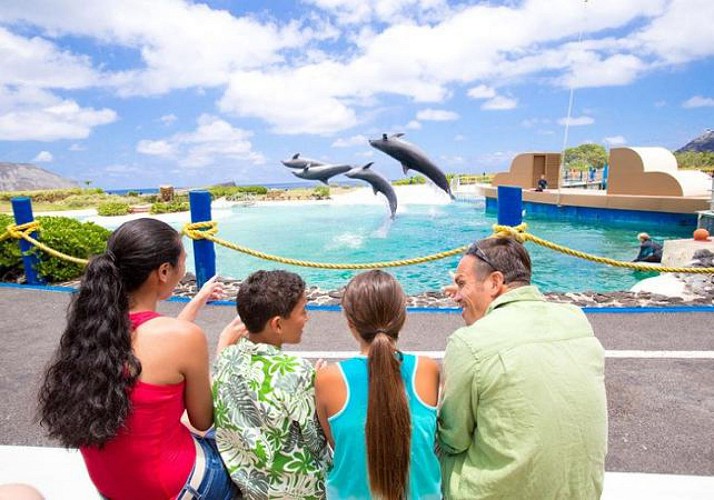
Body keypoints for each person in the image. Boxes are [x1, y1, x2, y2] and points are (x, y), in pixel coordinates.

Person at [38, 218, 241, 500]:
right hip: (175, 488)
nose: (185, 271)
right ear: (164, 271)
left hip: (113, 488)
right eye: (183, 262)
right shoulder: (183, 338)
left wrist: (196, 302)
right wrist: (225, 348)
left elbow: (154, 349)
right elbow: (204, 419)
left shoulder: (93, 329)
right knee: (239, 448)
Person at [438, 237, 607, 499]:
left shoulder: (469, 342)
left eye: (461, 283)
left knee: (427, 442)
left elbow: (453, 438)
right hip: (581, 490)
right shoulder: (575, 320)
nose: (456, 295)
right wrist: (470, 294)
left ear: (495, 282)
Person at [315, 270, 442, 500]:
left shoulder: (328, 379)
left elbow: (339, 444)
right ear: (402, 316)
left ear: (350, 322)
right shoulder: (427, 369)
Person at [212, 270, 330, 499]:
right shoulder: (296, 372)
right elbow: (317, 443)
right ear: (277, 324)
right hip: (299, 489)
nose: (307, 317)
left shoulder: (225, 358)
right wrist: (316, 390)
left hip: (251, 488)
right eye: (303, 311)